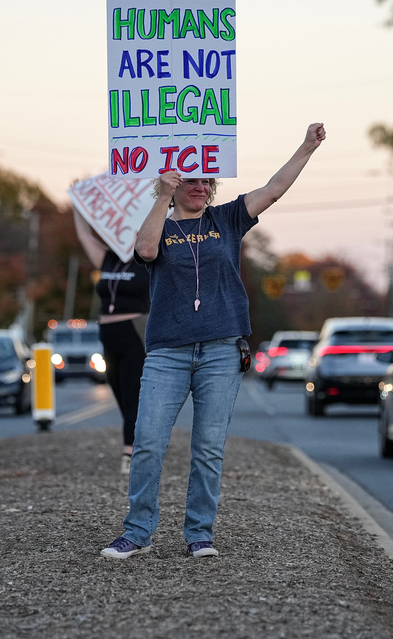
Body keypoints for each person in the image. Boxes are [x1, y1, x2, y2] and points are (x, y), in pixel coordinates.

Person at [101, 122, 326, 560]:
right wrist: (162, 196)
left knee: (208, 448)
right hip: (167, 352)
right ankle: (138, 531)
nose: (200, 186)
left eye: (207, 179)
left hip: (222, 351)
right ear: (174, 183)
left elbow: (275, 188)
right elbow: (145, 251)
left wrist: (306, 147)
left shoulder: (228, 219)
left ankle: (199, 533)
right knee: (147, 441)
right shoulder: (161, 226)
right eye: (191, 180)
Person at [72, 205, 151, 474]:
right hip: (107, 335)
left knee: (133, 394)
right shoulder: (107, 258)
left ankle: (129, 454)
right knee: (118, 393)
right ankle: (138, 443)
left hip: (134, 332)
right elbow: (84, 236)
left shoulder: (147, 259)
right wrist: (78, 206)